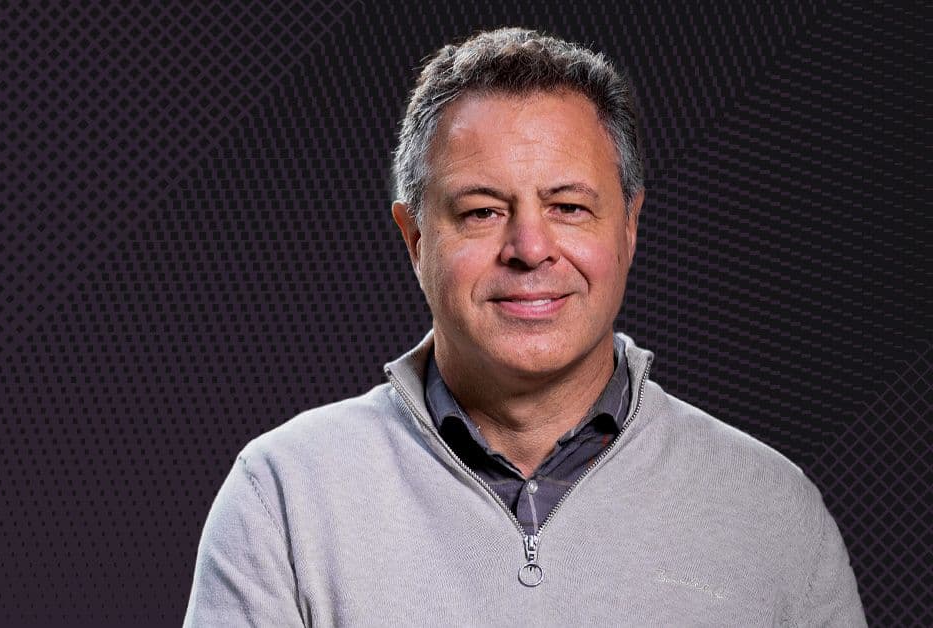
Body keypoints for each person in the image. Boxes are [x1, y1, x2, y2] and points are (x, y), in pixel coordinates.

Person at [184, 28, 866, 626]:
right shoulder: (285, 497)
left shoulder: (773, 512)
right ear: (414, 238)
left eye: (568, 207)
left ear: (629, 225)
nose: (530, 248)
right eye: (482, 211)